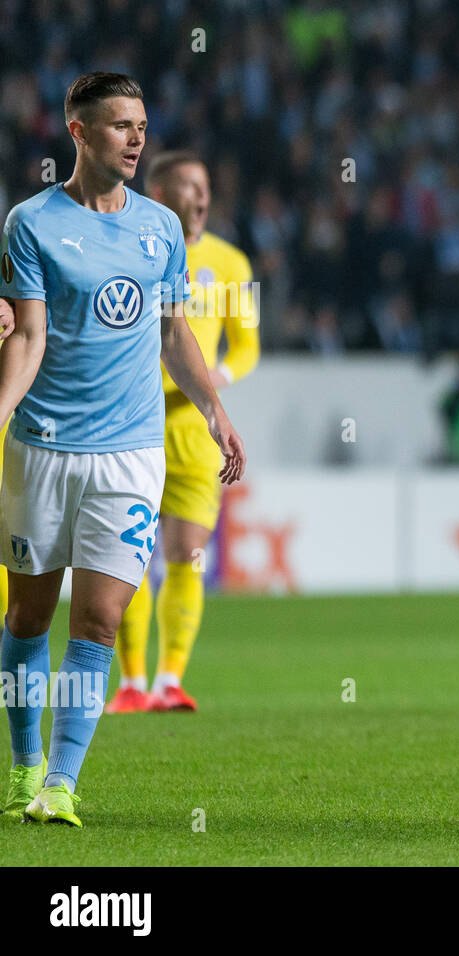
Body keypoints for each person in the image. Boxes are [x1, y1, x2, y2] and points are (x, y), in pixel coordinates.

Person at [0, 73, 246, 827]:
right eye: (119, 126)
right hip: (42, 446)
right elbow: (31, 335)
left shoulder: (161, 228)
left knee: (99, 621)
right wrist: (1, 408)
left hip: (131, 452)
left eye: (141, 125)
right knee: (29, 617)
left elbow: (175, 331)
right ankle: (23, 763)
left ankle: (62, 783)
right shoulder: (31, 223)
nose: (137, 138)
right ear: (78, 132)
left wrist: (214, 407)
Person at [106, 150, 260, 714]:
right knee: (126, 557)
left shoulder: (229, 262)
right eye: (185, 188)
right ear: (158, 195)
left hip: (195, 433)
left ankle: (170, 679)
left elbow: (246, 346)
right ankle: (131, 682)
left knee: (185, 556)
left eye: (204, 186)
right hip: (130, 425)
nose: (198, 198)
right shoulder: (128, 249)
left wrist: (213, 381)